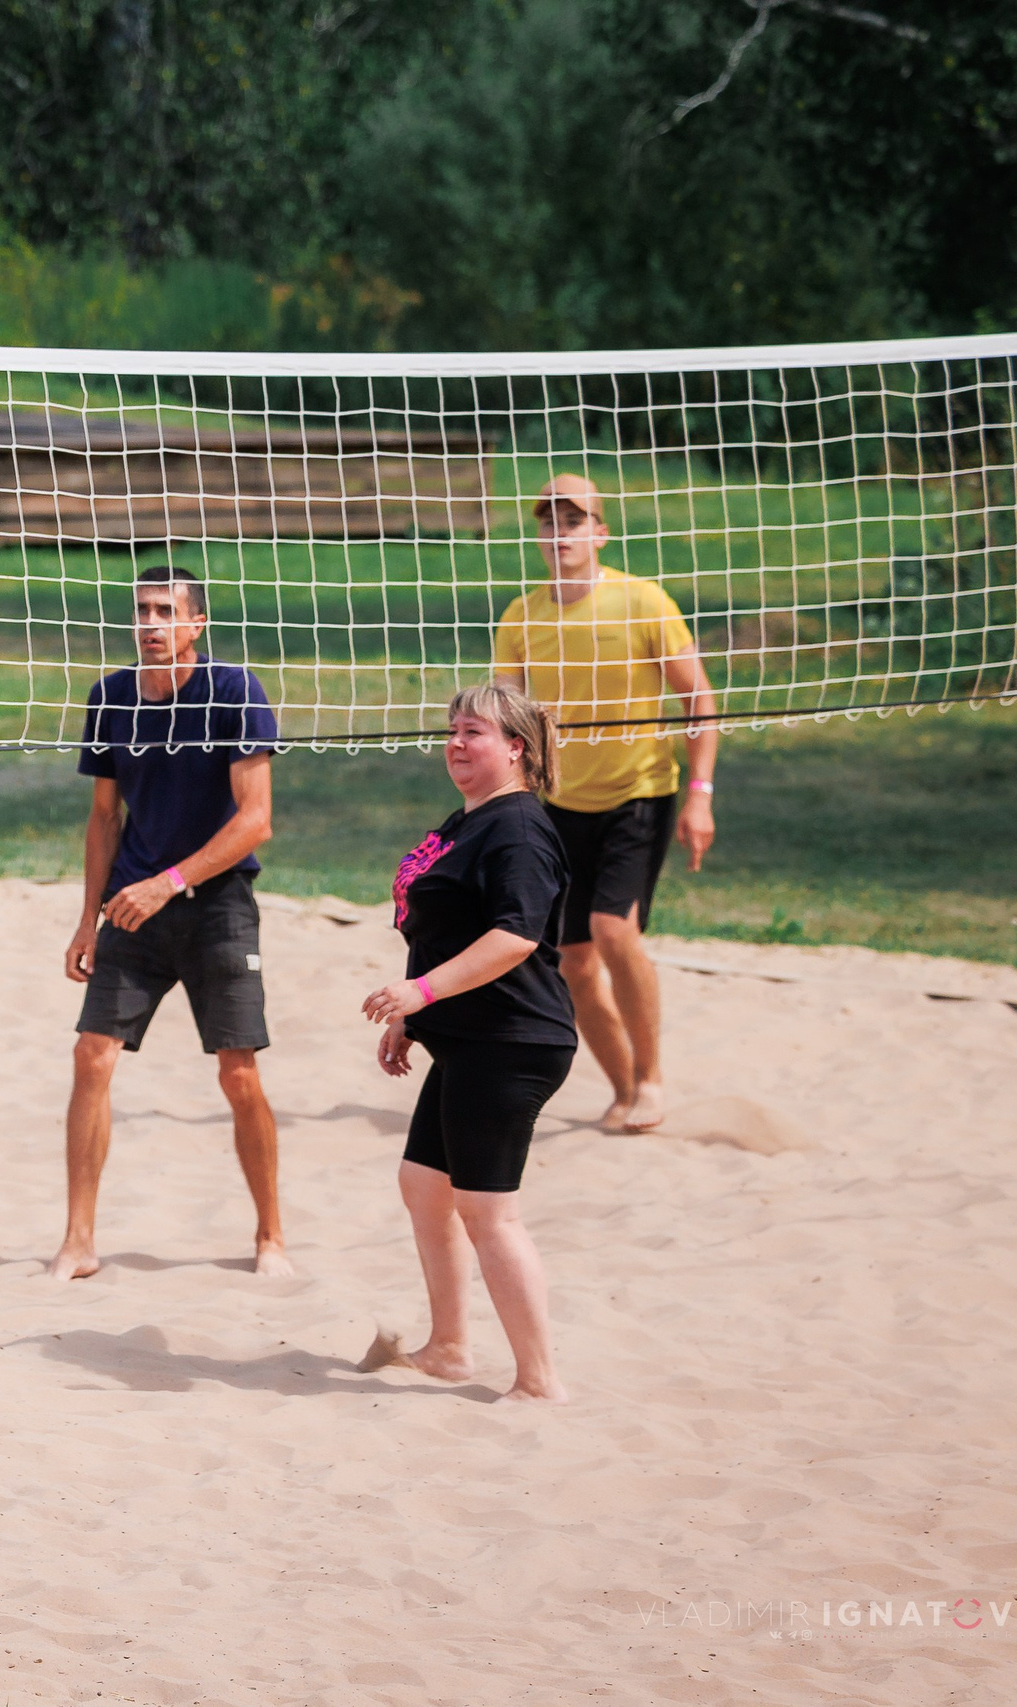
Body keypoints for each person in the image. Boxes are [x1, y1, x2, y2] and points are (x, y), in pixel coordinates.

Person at [54, 564, 291, 1281]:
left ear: (196, 624)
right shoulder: (113, 695)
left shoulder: (234, 690)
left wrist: (170, 881)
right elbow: (103, 818)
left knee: (238, 1073)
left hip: (215, 903)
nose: (151, 623)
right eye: (142, 611)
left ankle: (271, 1235)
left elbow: (257, 821)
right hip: (132, 904)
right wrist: (87, 920)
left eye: (166, 611)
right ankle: (78, 1238)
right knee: (91, 1055)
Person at [359, 681, 578, 1404]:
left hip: (511, 1039)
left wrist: (420, 993)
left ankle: (539, 1380)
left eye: (474, 731)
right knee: (425, 1186)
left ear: (516, 746)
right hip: (468, 1034)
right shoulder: (468, 820)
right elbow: (447, 927)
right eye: (452, 730)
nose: (456, 742)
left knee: (488, 1211)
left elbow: (514, 936)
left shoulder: (517, 828)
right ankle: (451, 1347)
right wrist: (414, 1017)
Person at [495, 472, 717, 1134]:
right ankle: (624, 1087)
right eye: (549, 522)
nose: (559, 532)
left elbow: (699, 701)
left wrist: (699, 795)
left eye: (574, 520)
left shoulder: (644, 601)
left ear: (600, 532)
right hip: (559, 804)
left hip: (638, 793)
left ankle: (651, 1078)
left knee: (615, 932)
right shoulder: (521, 616)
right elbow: (507, 721)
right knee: (573, 960)